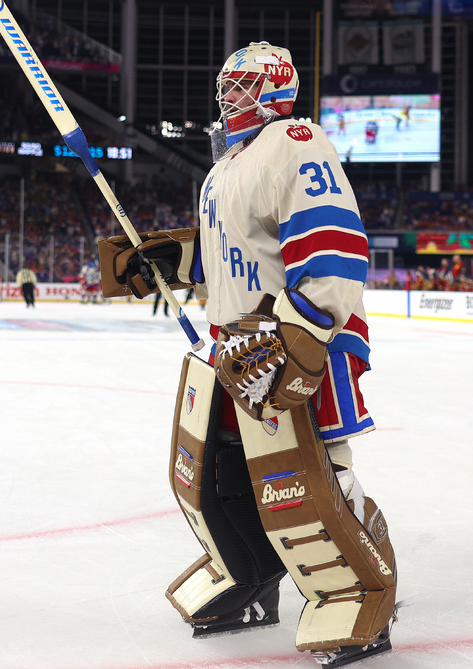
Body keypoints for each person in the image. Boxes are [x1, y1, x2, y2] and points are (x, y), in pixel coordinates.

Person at [98, 42, 399, 666]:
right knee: (222, 475)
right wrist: (168, 262)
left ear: (273, 90)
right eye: (225, 88)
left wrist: (307, 332)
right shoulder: (222, 169)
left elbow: (333, 242)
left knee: (312, 471)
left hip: (291, 341)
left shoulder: (295, 141)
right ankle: (253, 578)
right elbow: (223, 263)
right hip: (235, 349)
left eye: (239, 87)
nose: (226, 99)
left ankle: (358, 592)